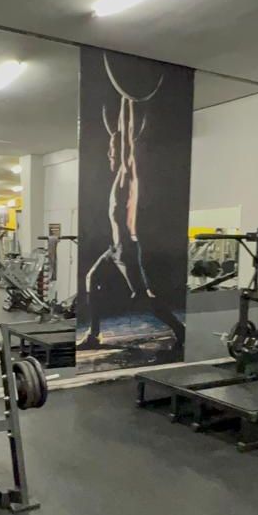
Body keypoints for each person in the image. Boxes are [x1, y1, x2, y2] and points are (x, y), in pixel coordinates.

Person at [77, 87, 185, 351]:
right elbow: (120, 135)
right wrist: (122, 104)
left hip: (126, 250)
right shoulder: (118, 178)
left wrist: (130, 101)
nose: (109, 154)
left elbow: (129, 141)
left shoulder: (128, 176)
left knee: (143, 298)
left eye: (112, 151)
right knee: (91, 278)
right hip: (114, 248)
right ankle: (93, 335)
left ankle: (179, 330)